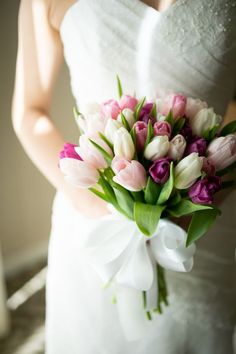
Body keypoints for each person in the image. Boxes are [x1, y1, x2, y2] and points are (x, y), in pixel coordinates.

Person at [12, 0, 236, 353]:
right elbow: (29, 113)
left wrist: (191, 206)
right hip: (93, 219)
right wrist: (114, 215)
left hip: (208, 214)